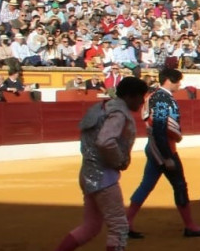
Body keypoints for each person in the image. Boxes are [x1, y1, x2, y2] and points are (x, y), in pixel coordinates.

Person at [53, 77, 148, 251]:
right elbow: (105, 141)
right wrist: (119, 160)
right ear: (129, 96)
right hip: (104, 177)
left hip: (88, 172)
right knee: (119, 227)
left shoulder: (101, 107)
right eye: (140, 97)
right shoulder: (119, 113)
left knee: (91, 226)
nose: (142, 101)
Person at [126, 68, 200, 239]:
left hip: (154, 147)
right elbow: (159, 127)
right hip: (164, 149)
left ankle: (126, 223)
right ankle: (190, 226)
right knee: (179, 185)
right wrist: (166, 157)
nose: (180, 85)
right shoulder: (162, 98)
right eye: (178, 81)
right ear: (169, 80)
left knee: (146, 185)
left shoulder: (155, 95)